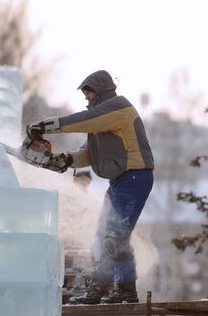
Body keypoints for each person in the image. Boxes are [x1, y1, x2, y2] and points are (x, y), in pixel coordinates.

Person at [28, 70, 154, 304]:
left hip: (135, 177)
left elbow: (85, 120)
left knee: (114, 236)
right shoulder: (100, 123)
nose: (87, 97)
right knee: (105, 236)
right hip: (120, 181)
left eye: (90, 92)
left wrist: (48, 126)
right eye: (85, 94)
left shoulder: (119, 108)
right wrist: (64, 160)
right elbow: (88, 154)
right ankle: (124, 289)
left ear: (102, 90)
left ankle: (101, 287)